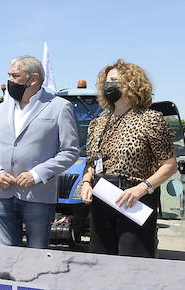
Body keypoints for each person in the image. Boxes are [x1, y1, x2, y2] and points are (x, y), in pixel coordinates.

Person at [76, 59, 178, 258]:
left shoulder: (150, 119)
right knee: (101, 262)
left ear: (131, 84)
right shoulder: (98, 122)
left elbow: (170, 165)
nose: (108, 85)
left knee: (133, 265)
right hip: (102, 198)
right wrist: (86, 183)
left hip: (135, 199)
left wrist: (142, 188)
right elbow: (91, 162)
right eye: (106, 81)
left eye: (114, 80)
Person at [0, 55, 80, 248]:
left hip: (38, 197)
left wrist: (36, 174)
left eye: (15, 76)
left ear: (33, 79)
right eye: (9, 75)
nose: (10, 80)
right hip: (2, 195)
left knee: (37, 255)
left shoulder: (59, 107)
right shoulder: (1, 108)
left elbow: (70, 151)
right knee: (6, 256)